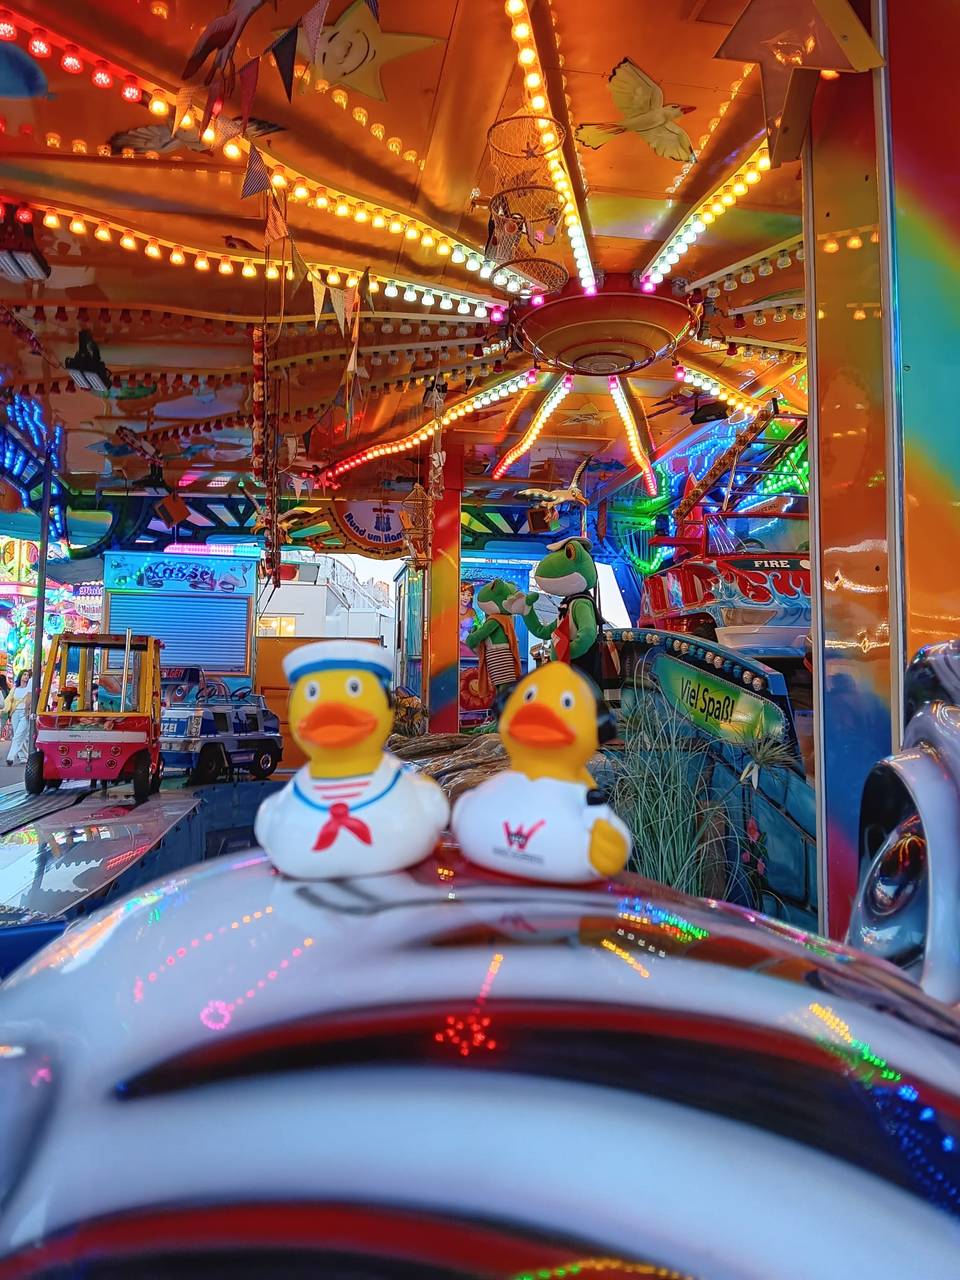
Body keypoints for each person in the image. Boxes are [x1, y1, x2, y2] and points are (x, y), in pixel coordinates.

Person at [6, 670, 33, 766]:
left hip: (25, 713)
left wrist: (28, 711)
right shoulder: (15, 688)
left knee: (18, 735)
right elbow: (9, 700)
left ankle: (10, 757)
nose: (26, 676)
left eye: (28, 675)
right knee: (20, 735)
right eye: (24, 674)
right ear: (20, 676)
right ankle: (24, 757)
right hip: (15, 713)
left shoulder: (29, 688)